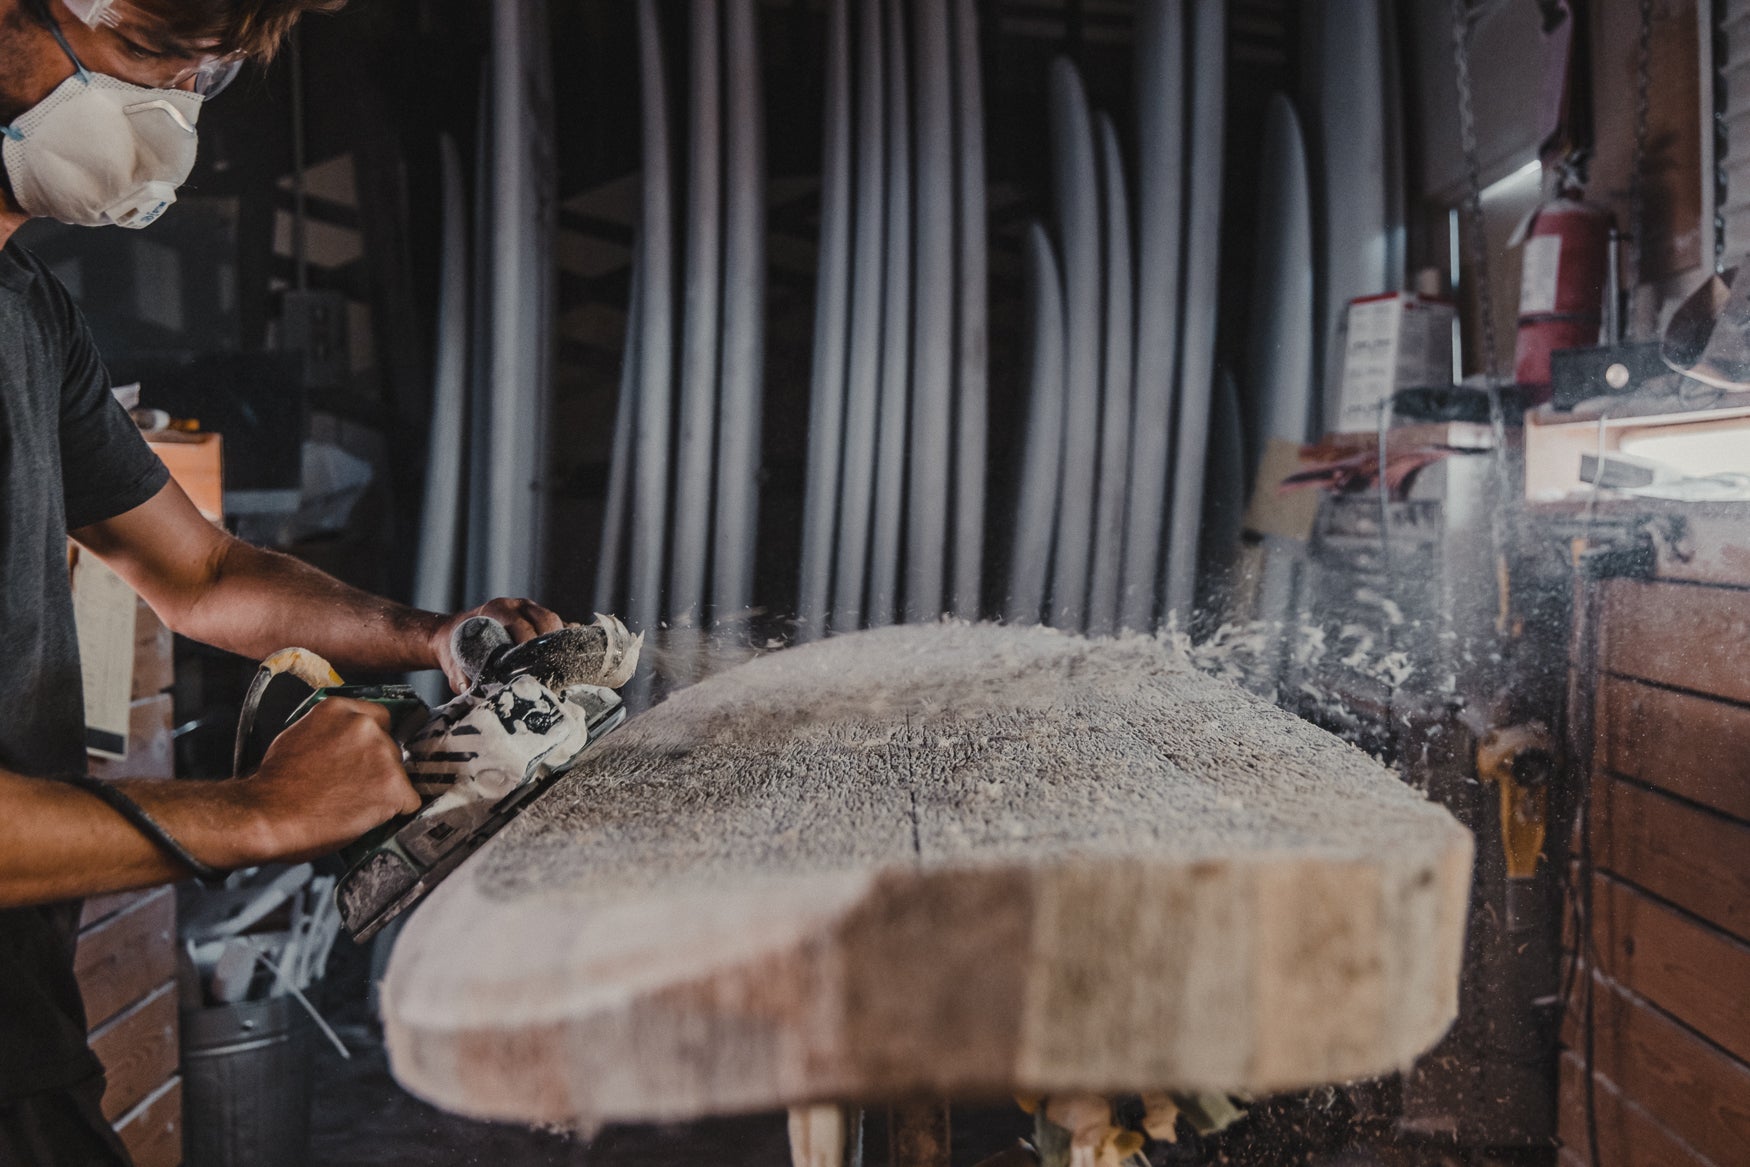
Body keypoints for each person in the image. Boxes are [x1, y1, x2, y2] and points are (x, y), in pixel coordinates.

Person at [0, 1, 566, 1160]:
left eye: (201, 75)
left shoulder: (29, 317)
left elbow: (198, 571)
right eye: (149, 54)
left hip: (23, 1031)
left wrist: (431, 638)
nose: (169, 107)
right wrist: (261, 813)